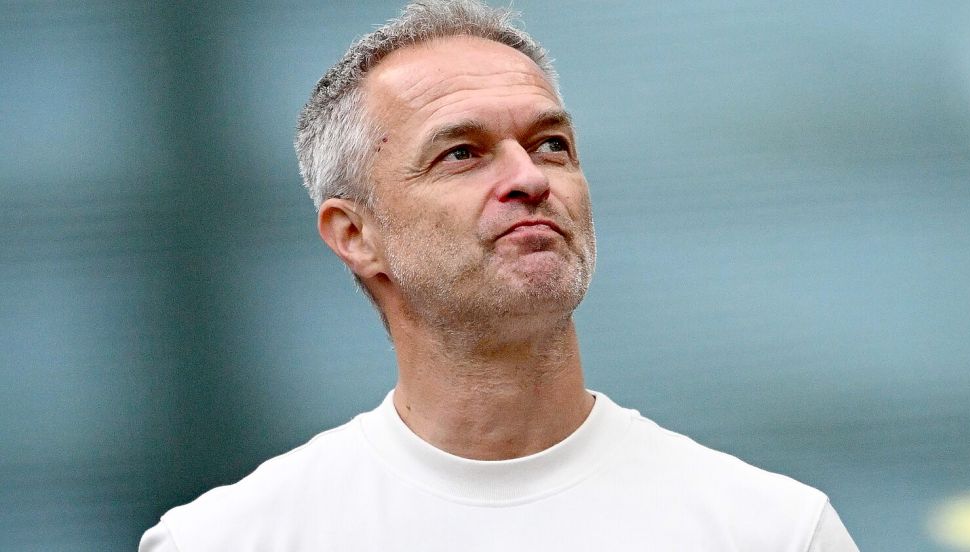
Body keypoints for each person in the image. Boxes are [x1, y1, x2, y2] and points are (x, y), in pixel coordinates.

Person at [140, 1, 859, 550]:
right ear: (355, 235)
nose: (528, 179)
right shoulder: (232, 539)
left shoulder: (769, 531)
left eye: (550, 144)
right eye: (462, 152)